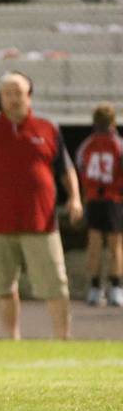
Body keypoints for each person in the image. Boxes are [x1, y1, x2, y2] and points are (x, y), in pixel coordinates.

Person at [0, 71, 83, 340]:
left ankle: (63, 337)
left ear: (29, 96)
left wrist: (75, 198)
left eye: (18, 93)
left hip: (41, 222)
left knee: (55, 284)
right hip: (0, 223)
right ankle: (11, 337)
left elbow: (66, 169)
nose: (13, 99)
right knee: (2, 285)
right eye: (8, 94)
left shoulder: (48, 128)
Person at [75, 102, 123, 306]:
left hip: (95, 199)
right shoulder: (118, 144)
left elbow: (81, 170)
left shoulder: (87, 145)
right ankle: (115, 287)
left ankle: (95, 288)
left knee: (94, 244)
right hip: (113, 200)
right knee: (115, 246)